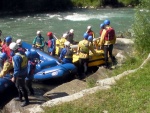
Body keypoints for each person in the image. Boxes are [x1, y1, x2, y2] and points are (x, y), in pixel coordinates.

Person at [9, 42, 29, 107]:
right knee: (18, 85)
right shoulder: (22, 52)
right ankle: (20, 97)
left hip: (20, 74)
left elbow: (17, 70)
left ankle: (26, 101)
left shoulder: (16, 57)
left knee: (21, 87)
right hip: (24, 71)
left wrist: (14, 77)